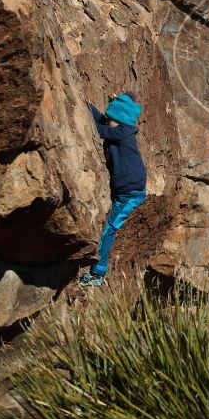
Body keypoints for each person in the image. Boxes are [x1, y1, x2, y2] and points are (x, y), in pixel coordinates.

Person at [80, 91, 146, 287]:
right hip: (124, 191)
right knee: (108, 229)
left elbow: (98, 129)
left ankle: (98, 275)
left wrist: (86, 108)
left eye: (111, 118)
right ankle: (97, 272)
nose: (107, 120)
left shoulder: (122, 133)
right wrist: (86, 103)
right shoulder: (120, 129)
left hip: (130, 195)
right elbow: (102, 120)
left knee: (109, 230)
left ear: (119, 119)